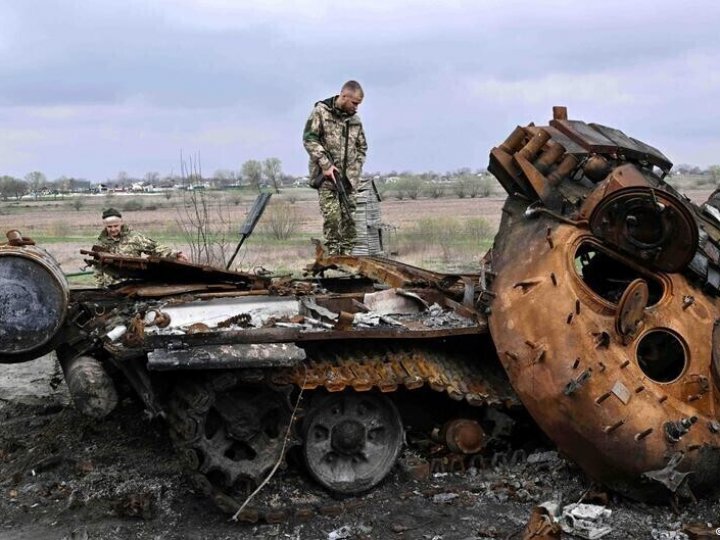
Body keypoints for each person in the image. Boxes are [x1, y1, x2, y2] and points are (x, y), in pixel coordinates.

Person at [303, 80, 368, 255]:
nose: (356, 107)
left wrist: (355, 171)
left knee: (349, 220)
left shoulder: (355, 121)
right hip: (326, 180)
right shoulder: (321, 112)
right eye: (354, 103)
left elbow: (362, 147)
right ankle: (334, 255)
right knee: (332, 219)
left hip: (348, 182)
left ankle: (347, 257)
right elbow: (309, 139)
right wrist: (326, 165)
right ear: (344, 96)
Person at [93, 207, 188, 286]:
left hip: (132, 285)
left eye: (116, 226)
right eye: (110, 227)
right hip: (110, 288)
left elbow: (155, 248)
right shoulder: (100, 243)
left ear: (121, 223)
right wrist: (99, 288)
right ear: (105, 226)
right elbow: (97, 268)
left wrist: (175, 254)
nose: (113, 229)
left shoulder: (134, 238)